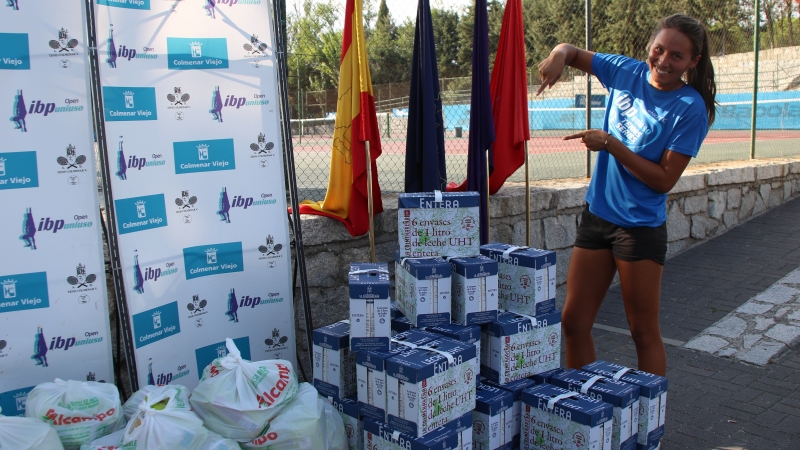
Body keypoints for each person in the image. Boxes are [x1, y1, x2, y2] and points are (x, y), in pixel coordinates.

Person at [536, 14, 717, 376]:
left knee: (643, 332)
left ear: (693, 61)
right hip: (597, 217)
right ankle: (584, 402)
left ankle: (652, 414)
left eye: (677, 56)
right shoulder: (625, 72)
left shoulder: (689, 107)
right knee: (573, 322)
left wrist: (611, 144)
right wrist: (558, 56)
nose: (664, 61)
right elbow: (571, 51)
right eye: (659, 49)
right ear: (650, 46)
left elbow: (664, 180)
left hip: (639, 229)